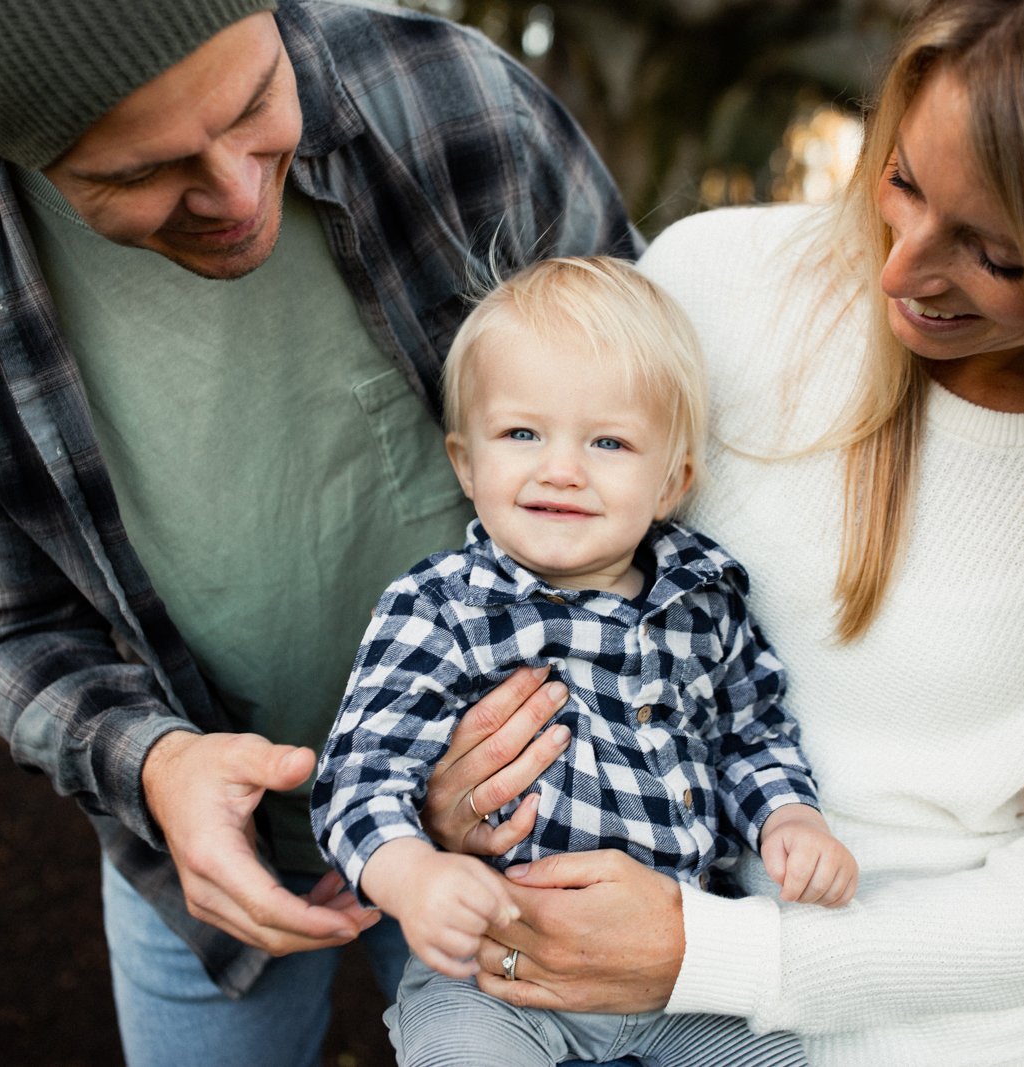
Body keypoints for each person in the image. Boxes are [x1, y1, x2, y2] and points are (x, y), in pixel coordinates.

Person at [410, 0, 1024, 1063]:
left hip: (939, 1029)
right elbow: (526, 596)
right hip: (584, 1007)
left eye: (997, 256)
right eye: (902, 179)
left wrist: (708, 953)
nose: (898, 271)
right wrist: (455, 785)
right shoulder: (714, 284)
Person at [0, 0, 639, 1063]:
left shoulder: (449, 93)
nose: (240, 192)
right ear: (15, 148)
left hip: (530, 810)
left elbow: (654, 423)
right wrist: (155, 766)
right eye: (139, 174)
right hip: (203, 868)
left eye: (254, 103)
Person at [311, 256, 854, 1066]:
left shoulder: (704, 602)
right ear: (466, 462)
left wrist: (790, 815)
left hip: (677, 974)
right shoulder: (441, 608)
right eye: (522, 433)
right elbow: (360, 775)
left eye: (608, 441)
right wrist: (411, 875)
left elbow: (751, 733)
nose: (561, 467)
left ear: (673, 481)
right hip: (499, 975)